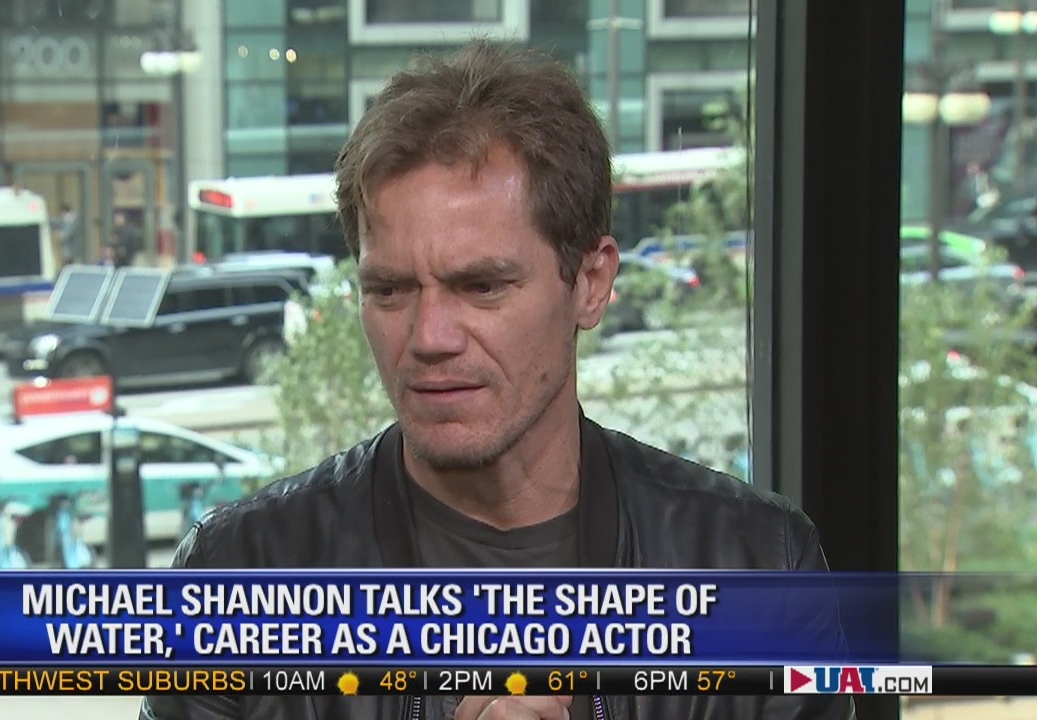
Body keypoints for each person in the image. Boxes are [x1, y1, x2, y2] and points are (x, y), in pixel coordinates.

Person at [140, 41, 854, 720]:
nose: (429, 337)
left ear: (591, 283)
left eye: (481, 286)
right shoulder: (235, 579)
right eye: (390, 290)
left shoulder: (761, 569)